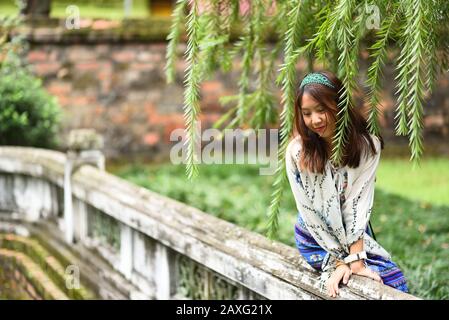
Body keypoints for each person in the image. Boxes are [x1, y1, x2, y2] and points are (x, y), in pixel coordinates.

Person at [285, 71, 409, 298]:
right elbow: (309, 210)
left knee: (394, 282)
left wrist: (356, 261)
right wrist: (339, 262)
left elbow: (357, 205)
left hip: (354, 232)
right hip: (314, 237)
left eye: (322, 109)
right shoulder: (298, 152)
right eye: (307, 113)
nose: (315, 120)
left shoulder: (367, 147)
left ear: (339, 104)